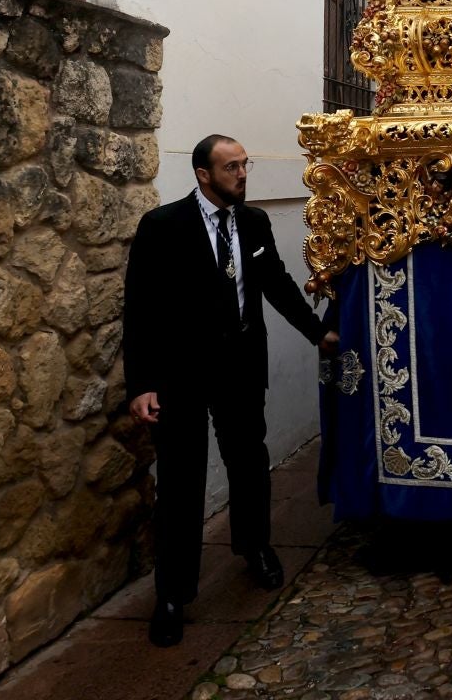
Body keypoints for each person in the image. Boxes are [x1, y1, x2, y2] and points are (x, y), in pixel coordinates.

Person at [122, 135, 339, 648]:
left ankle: (255, 547)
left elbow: (278, 286)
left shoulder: (255, 223)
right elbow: (141, 310)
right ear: (203, 174)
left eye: (245, 164)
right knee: (180, 480)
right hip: (182, 376)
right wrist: (142, 384)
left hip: (241, 369)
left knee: (248, 462)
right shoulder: (163, 227)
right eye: (231, 167)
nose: (242, 174)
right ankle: (173, 594)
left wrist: (318, 333)